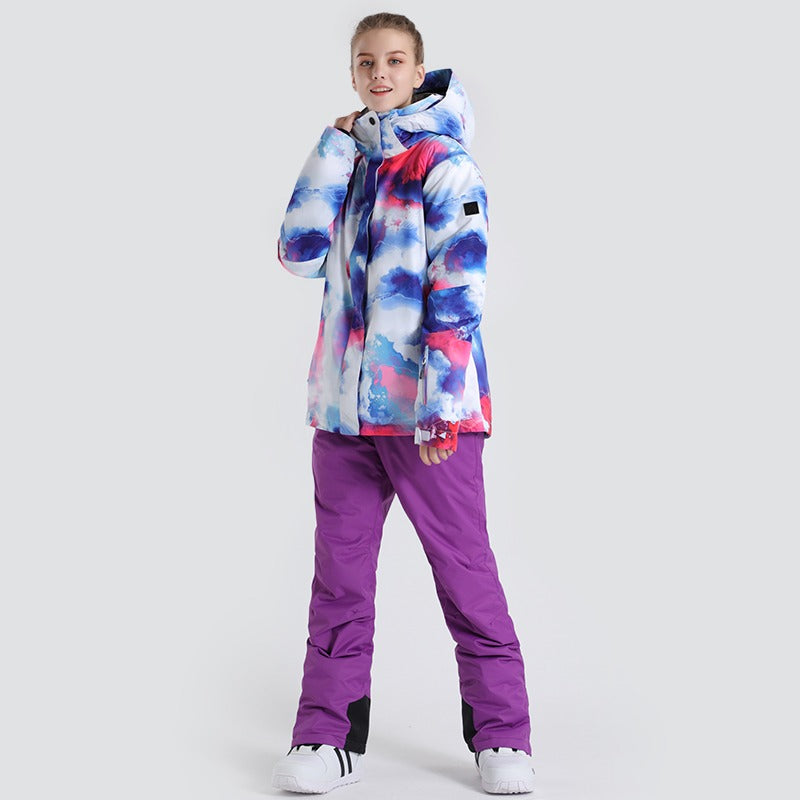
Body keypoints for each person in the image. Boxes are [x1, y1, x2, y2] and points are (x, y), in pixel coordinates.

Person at [270, 12, 535, 795]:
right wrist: (332, 147)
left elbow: (462, 284)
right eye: (365, 62)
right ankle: (325, 737)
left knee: (464, 573)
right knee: (339, 583)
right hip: (344, 416)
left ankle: (504, 739)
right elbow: (298, 252)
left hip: (429, 417)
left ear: (418, 72)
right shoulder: (349, 163)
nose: (379, 73)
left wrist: (443, 404)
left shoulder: (444, 163)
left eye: (393, 61)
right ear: (353, 75)